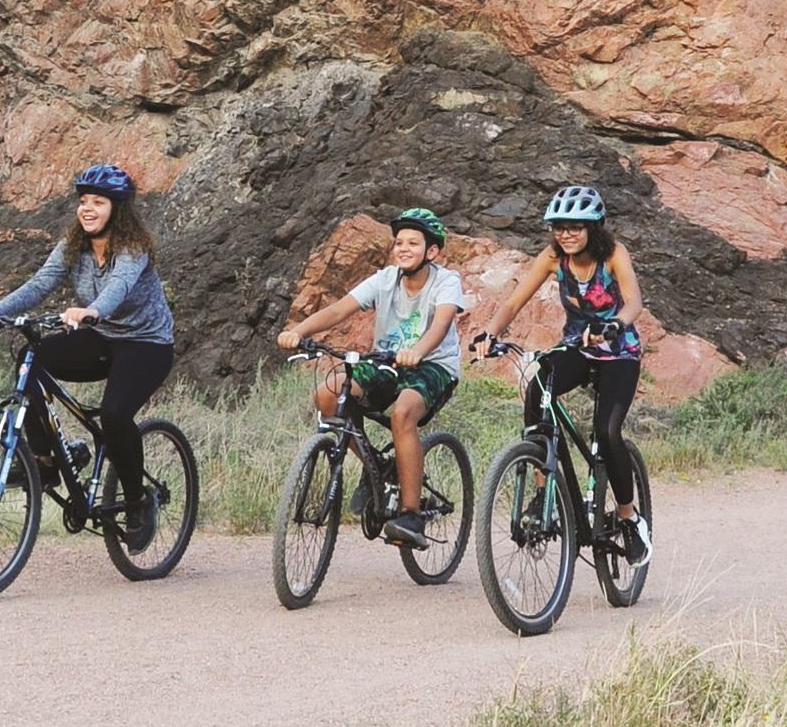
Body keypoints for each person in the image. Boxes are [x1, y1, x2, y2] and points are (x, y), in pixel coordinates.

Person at [0, 164, 175, 553]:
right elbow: (40, 283)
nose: (87, 209)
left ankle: (137, 502)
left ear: (118, 209)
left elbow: (119, 288)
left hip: (147, 344)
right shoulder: (73, 246)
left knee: (114, 415)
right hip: (101, 337)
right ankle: (45, 461)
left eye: (98, 202)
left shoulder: (133, 249)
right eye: (83, 201)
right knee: (32, 358)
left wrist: (91, 309)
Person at [472, 184, 652, 565]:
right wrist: (491, 333)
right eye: (559, 226)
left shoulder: (614, 255)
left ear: (594, 228)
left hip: (619, 351)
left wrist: (616, 325)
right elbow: (514, 301)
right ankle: (542, 493)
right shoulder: (554, 258)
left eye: (576, 226)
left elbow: (634, 301)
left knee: (607, 430)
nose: (566, 234)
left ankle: (628, 516)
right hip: (578, 347)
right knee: (539, 387)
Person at [277, 208, 465, 550]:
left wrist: (418, 350)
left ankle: (410, 514)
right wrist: (298, 330)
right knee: (329, 396)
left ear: (432, 251)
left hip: (433, 365)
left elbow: (440, 325)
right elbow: (339, 309)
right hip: (386, 362)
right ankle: (377, 466)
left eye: (413, 242)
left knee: (402, 414)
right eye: (398, 243)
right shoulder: (385, 278)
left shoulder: (446, 281)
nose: (403, 248)